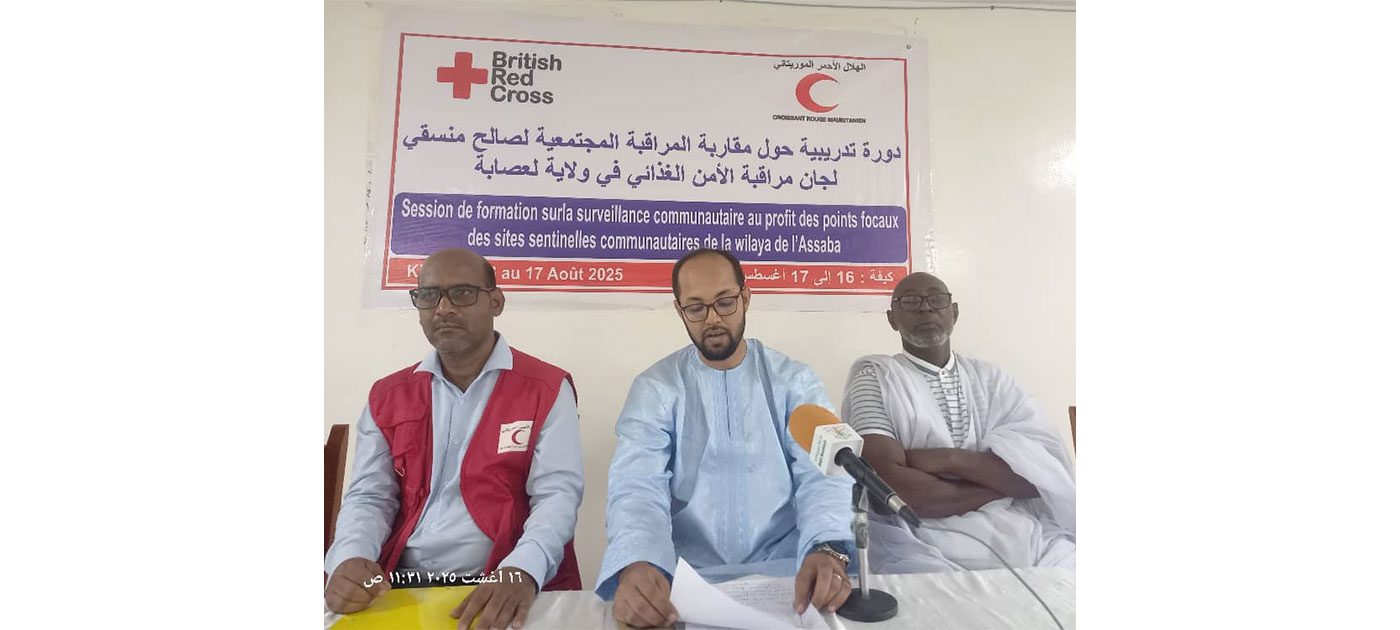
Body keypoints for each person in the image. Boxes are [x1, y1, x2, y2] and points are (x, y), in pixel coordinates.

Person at [323, 248, 585, 630]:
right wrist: (349, 557)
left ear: (496, 302)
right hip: (400, 583)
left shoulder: (545, 388)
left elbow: (557, 495)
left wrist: (523, 569)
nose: (443, 308)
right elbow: (370, 496)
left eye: (462, 293)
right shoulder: (389, 395)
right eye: (429, 296)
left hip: (504, 579)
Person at [597, 249, 856, 628]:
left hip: (789, 574)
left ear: (746, 297)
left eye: (724, 302)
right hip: (688, 582)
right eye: (696, 308)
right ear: (679, 311)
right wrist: (638, 562)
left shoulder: (795, 381)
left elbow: (824, 476)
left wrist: (827, 548)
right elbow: (636, 486)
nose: (713, 319)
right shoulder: (655, 389)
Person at [841, 272, 1076, 573]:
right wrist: (996, 482)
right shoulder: (875, 378)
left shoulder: (992, 380)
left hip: (1022, 531)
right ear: (892, 319)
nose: (926, 308)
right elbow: (892, 490)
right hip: (919, 540)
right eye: (910, 301)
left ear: (954, 312)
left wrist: (949, 459)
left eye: (937, 299)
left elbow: (1041, 476)